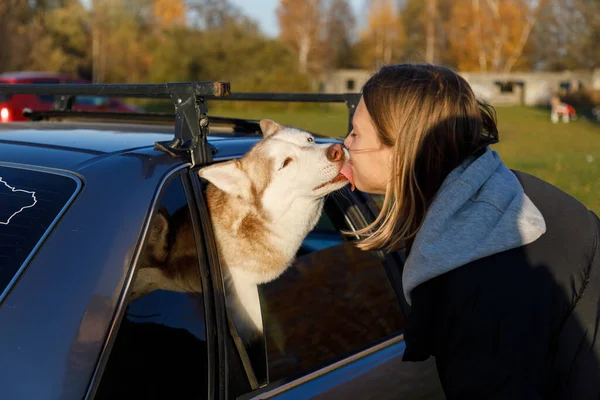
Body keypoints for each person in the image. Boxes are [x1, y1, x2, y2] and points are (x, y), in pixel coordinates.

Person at [340, 63, 600, 399]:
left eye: (356, 133)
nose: (345, 143)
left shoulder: (477, 274)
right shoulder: (508, 191)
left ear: (402, 146)